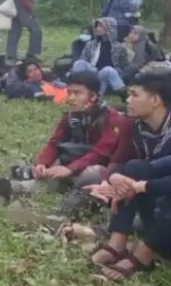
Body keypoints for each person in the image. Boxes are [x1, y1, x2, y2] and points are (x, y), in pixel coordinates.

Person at [85, 72, 171, 281]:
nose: (127, 100)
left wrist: (143, 186)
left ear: (155, 100)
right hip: (155, 205)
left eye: (134, 95)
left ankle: (144, 254)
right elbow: (119, 161)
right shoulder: (132, 127)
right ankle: (117, 243)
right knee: (134, 167)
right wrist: (115, 179)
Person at [28, 70, 126, 216]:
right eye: (70, 92)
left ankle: (67, 208)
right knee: (49, 172)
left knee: (92, 173)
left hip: (102, 170)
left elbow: (102, 152)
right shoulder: (71, 116)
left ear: (93, 96)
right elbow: (55, 142)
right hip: (75, 165)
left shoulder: (112, 118)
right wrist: (42, 163)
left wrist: (70, 169)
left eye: (77, 93)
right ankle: (18, 186)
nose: (71, 98)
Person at [72, 17, 129, 95]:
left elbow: (125, 66)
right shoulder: (91, 44)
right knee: (79, 63)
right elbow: (84, 59)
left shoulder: (119, 47)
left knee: (108, 70)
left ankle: (123, 93)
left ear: (109, 28)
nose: (97, 28)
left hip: (110, 74)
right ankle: (74, 87)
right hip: (94, 72)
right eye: (97, 26)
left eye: (101, 26)